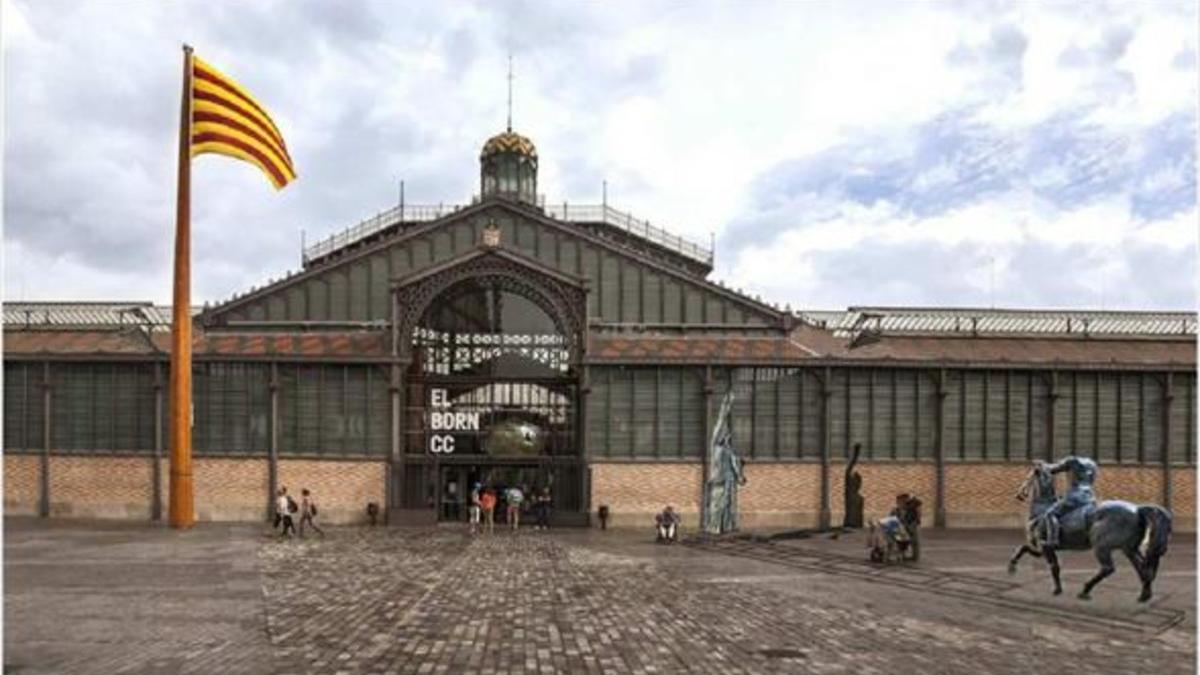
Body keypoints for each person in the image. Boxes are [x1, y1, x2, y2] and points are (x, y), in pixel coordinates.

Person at [1037, 455, 1099, 547]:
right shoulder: (1092, 464)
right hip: (1089, 496)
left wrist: (1042, 466)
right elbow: (1093, 480)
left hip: (1075, 496)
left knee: (1050, 514)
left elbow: (1052, 469)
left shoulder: (1072, 461)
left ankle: (1053, 540)